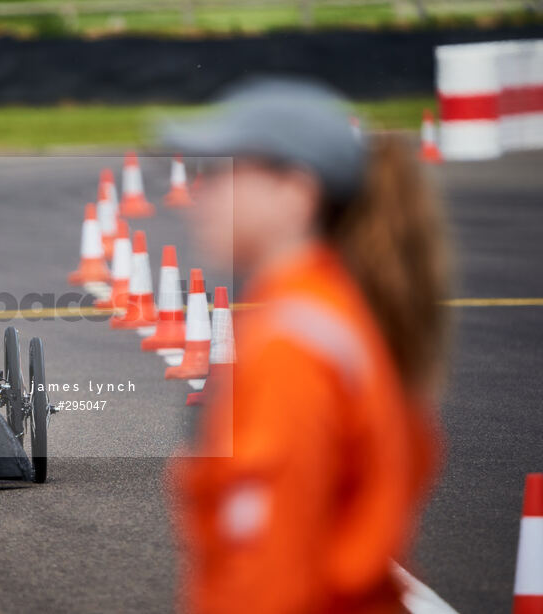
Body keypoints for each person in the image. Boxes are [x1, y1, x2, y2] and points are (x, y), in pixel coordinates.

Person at [162, 79, 451, 613]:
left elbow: (270, 577)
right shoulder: (336, 309)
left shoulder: (290, 346)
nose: (199, 194)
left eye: (224, 174)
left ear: (295, 194)